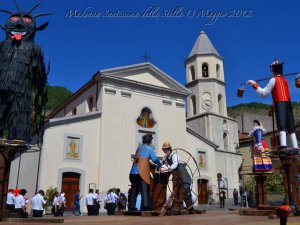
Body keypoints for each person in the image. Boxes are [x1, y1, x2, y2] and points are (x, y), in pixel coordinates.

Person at [247, 59, 298, 150]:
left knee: (281, 124)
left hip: (279, 103)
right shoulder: (285, 81)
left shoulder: (273, 80)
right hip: (288, 103)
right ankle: (295, 146)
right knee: (290, 125)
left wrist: (254, 84)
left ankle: (283, 145)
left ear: (273, 70)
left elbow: (264, 93)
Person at [129, 133, 162, 211]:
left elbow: (139, 157)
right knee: (145, 188)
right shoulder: (149, 148)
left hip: (133, 171)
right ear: (150, 142)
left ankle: (132, 206)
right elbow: (154, 159)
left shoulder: (138, 148)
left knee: (134, 188)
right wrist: (160, 163)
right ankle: (146, 206)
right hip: (142, 171)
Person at [160, 142, 194, 211]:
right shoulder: (165, 158)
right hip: (176, 176)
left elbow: (174, 165)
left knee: (186, 189)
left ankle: (190, 207)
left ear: (169, 149)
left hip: (182, 173)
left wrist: (166, 168)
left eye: (165, 150)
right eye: (164, 150)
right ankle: (177, 205)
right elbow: (164, 164)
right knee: (177, 191)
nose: (164, 151)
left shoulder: (175, 155)